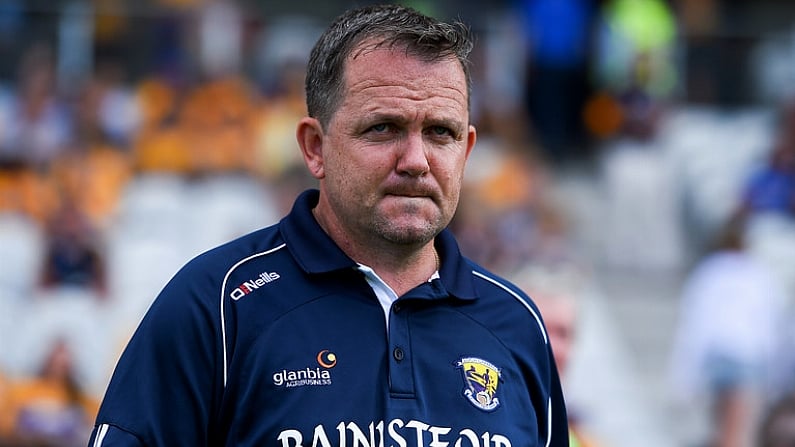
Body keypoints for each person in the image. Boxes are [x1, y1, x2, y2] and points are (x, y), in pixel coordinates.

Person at [87, 5, 568, 446]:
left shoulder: (518, 325)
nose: (417, 161)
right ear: (315, 147)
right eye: (383, 128)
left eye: (440, 133)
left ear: (465, 151)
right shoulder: (215, 305)